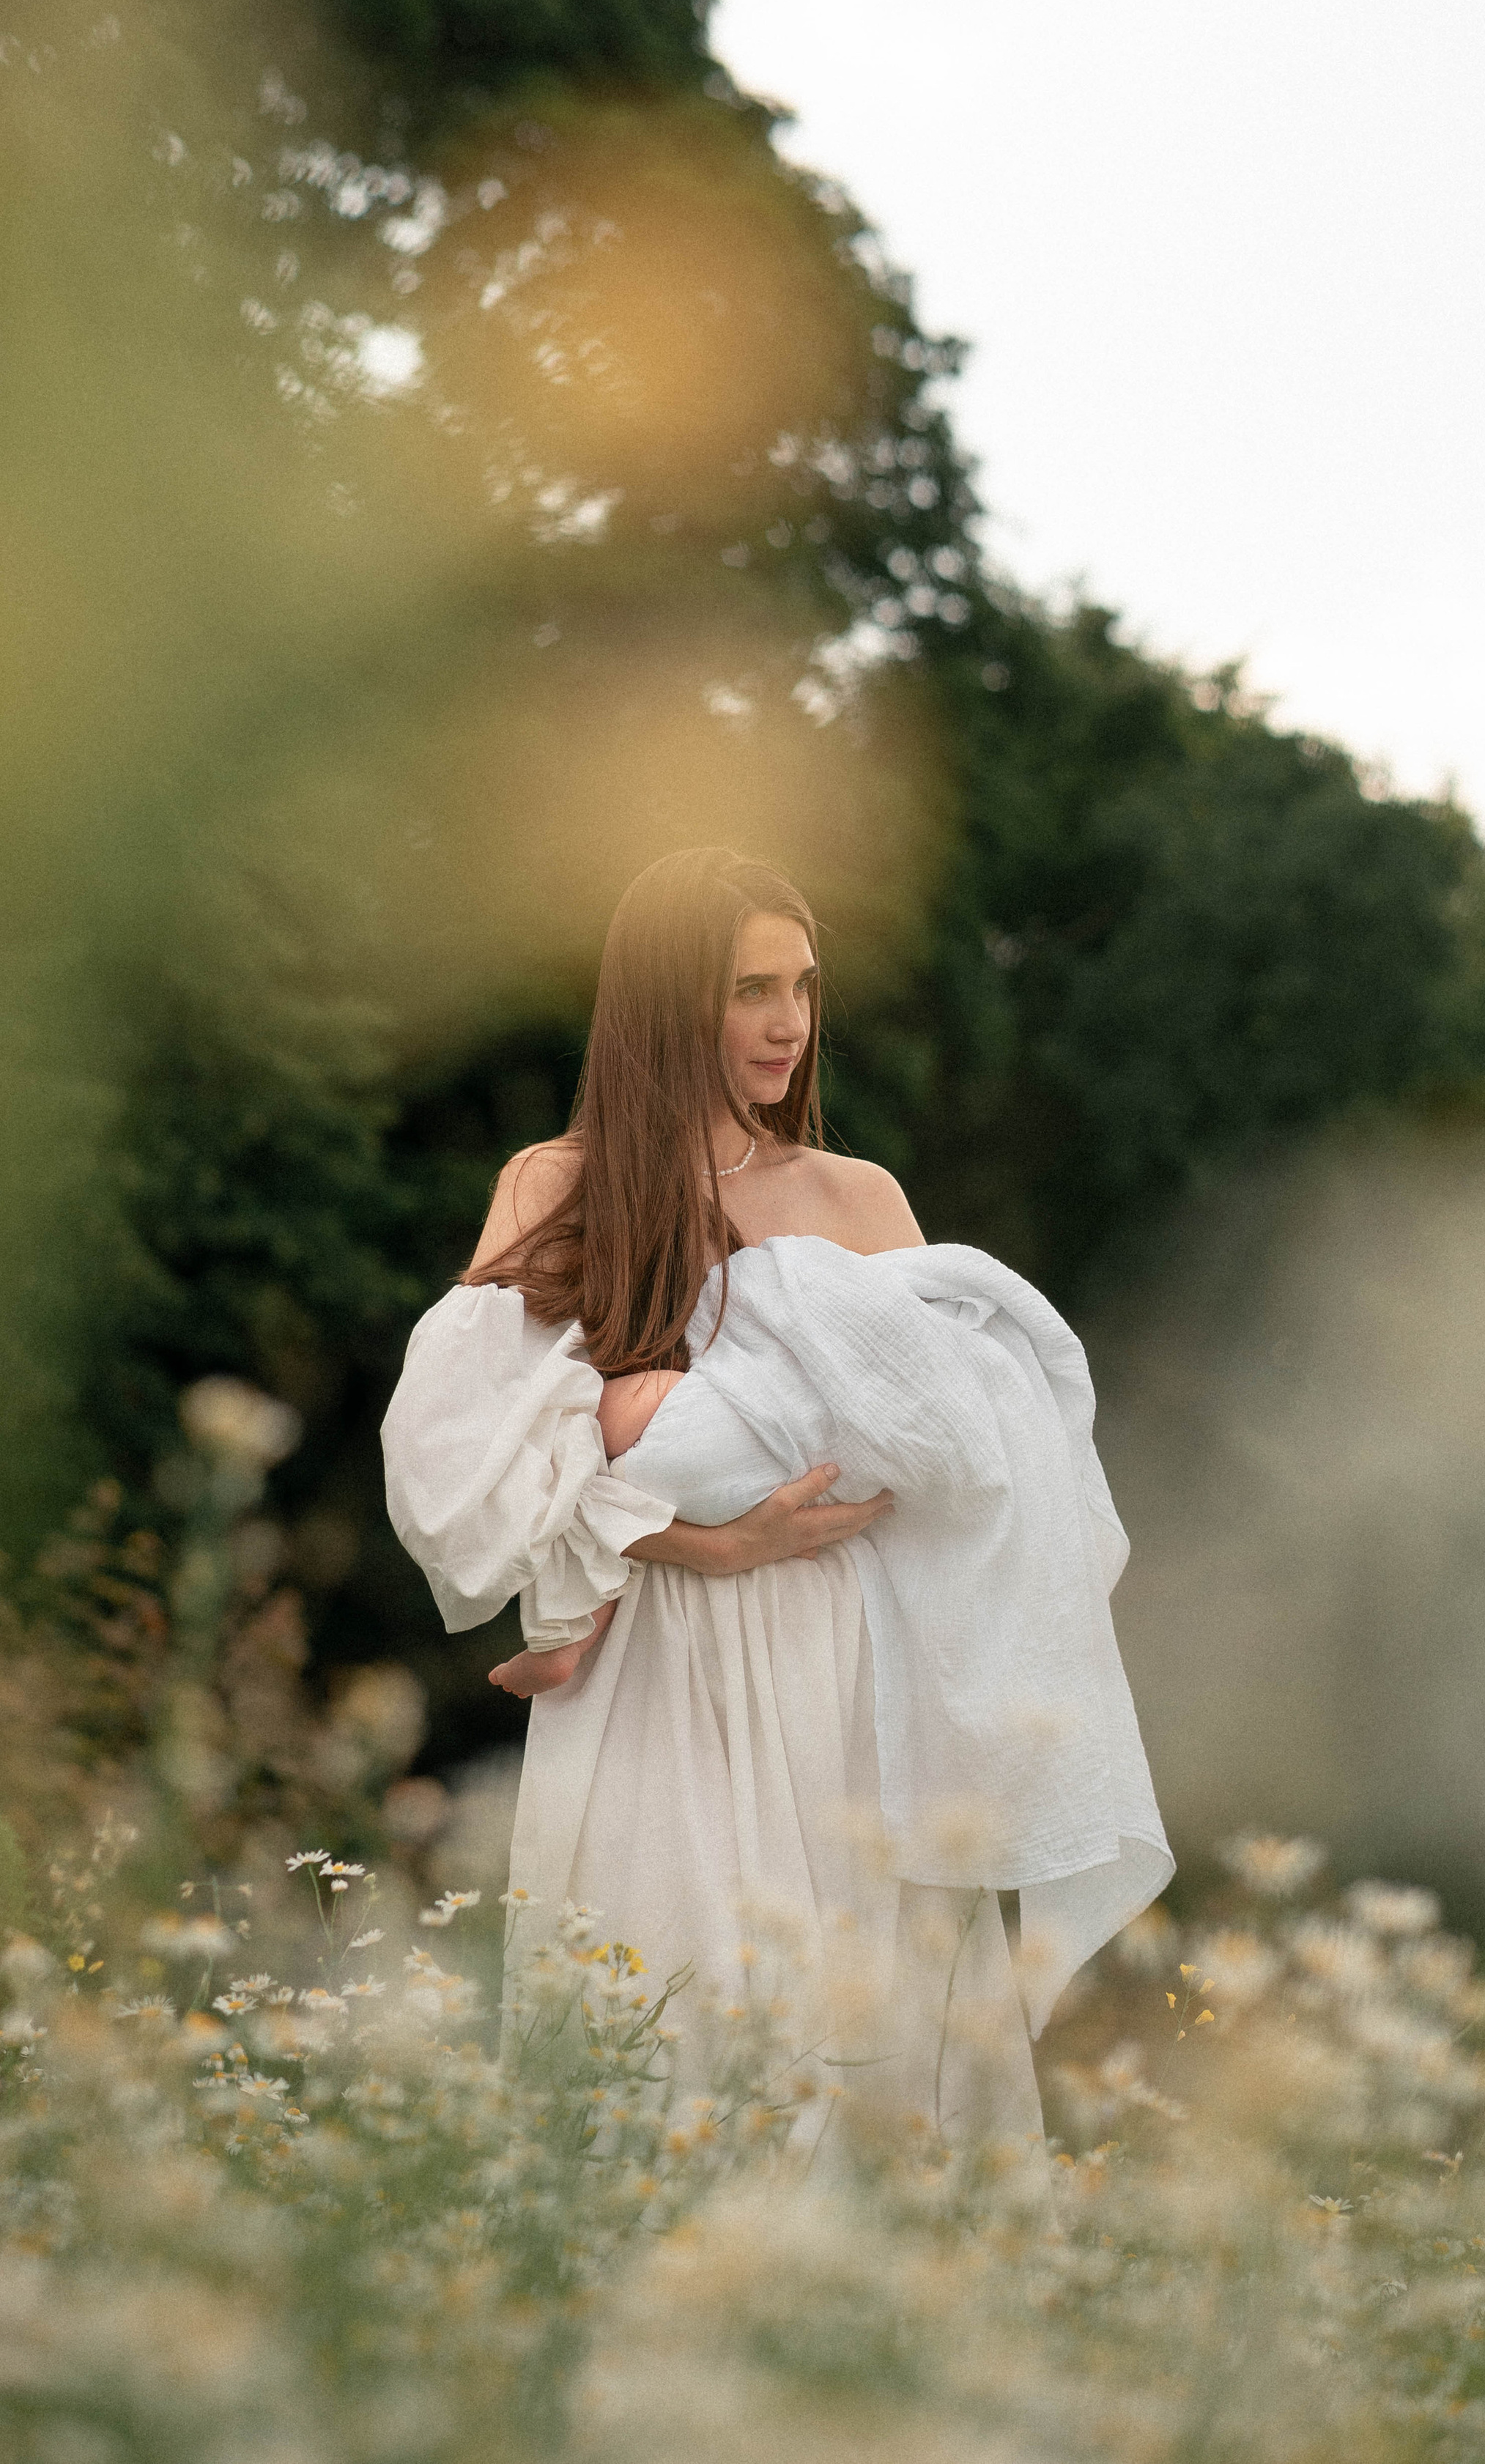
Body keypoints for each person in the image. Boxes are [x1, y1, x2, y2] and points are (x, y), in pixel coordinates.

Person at [381, 848, 1169, 2135]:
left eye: (803, 986)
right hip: (658, 1666)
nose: (790, 1024)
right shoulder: (560, 1184)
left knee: (860, 2048)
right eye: (753, 987)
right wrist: (709, 1542)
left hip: (853, 1665)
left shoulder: (858, 1199)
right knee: (666, 2030)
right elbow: (470, 1463)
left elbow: (953, 1442)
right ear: (667, 1002)